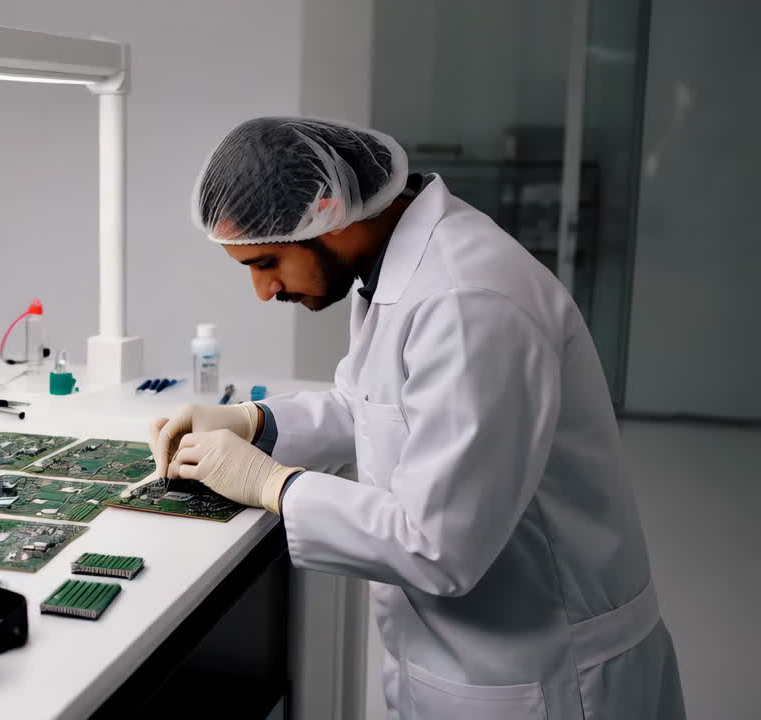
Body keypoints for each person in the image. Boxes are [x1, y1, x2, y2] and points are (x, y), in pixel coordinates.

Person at [151, 117, 685, 719]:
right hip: (468, 657)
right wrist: (253, 423)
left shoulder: (468, 301)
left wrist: (272, 484)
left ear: (330, 210)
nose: (262, 290)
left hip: (547, 676)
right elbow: (370, 407)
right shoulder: (396, 271)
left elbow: (438, 545)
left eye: (267, 260)